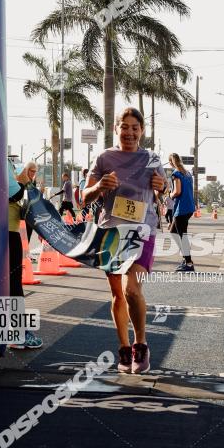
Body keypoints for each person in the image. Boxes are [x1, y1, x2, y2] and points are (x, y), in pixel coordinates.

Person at [82, 107, 167, 375]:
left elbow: (163, 189)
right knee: (118, 294)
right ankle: (124, 347)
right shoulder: (104, 158)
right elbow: (84, 197)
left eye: (135, 127)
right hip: (112, 232)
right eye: (125, 127)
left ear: (142, 131)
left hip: (143, 231)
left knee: (133, 290)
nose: (130, 132)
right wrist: (99, 187)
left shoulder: (152, 158)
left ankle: (141, 344)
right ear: (116, 129)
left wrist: (161, 186)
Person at [8, 162, 43, 350]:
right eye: (29, 171)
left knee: (8, 284)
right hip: (7, 233)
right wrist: (22, 182)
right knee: (13, 284)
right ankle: (18, 334)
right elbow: (15, 193)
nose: (31, 174)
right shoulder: (1, 161)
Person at [168, 152, 196, 272]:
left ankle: (189, 263)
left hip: (182, 208)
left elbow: (177, 191)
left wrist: (170, 194)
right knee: (174, 231)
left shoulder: (176, 174)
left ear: (171, 163)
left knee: (181, 235)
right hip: (189, 206)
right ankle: (186, 258)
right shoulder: (188, 173)